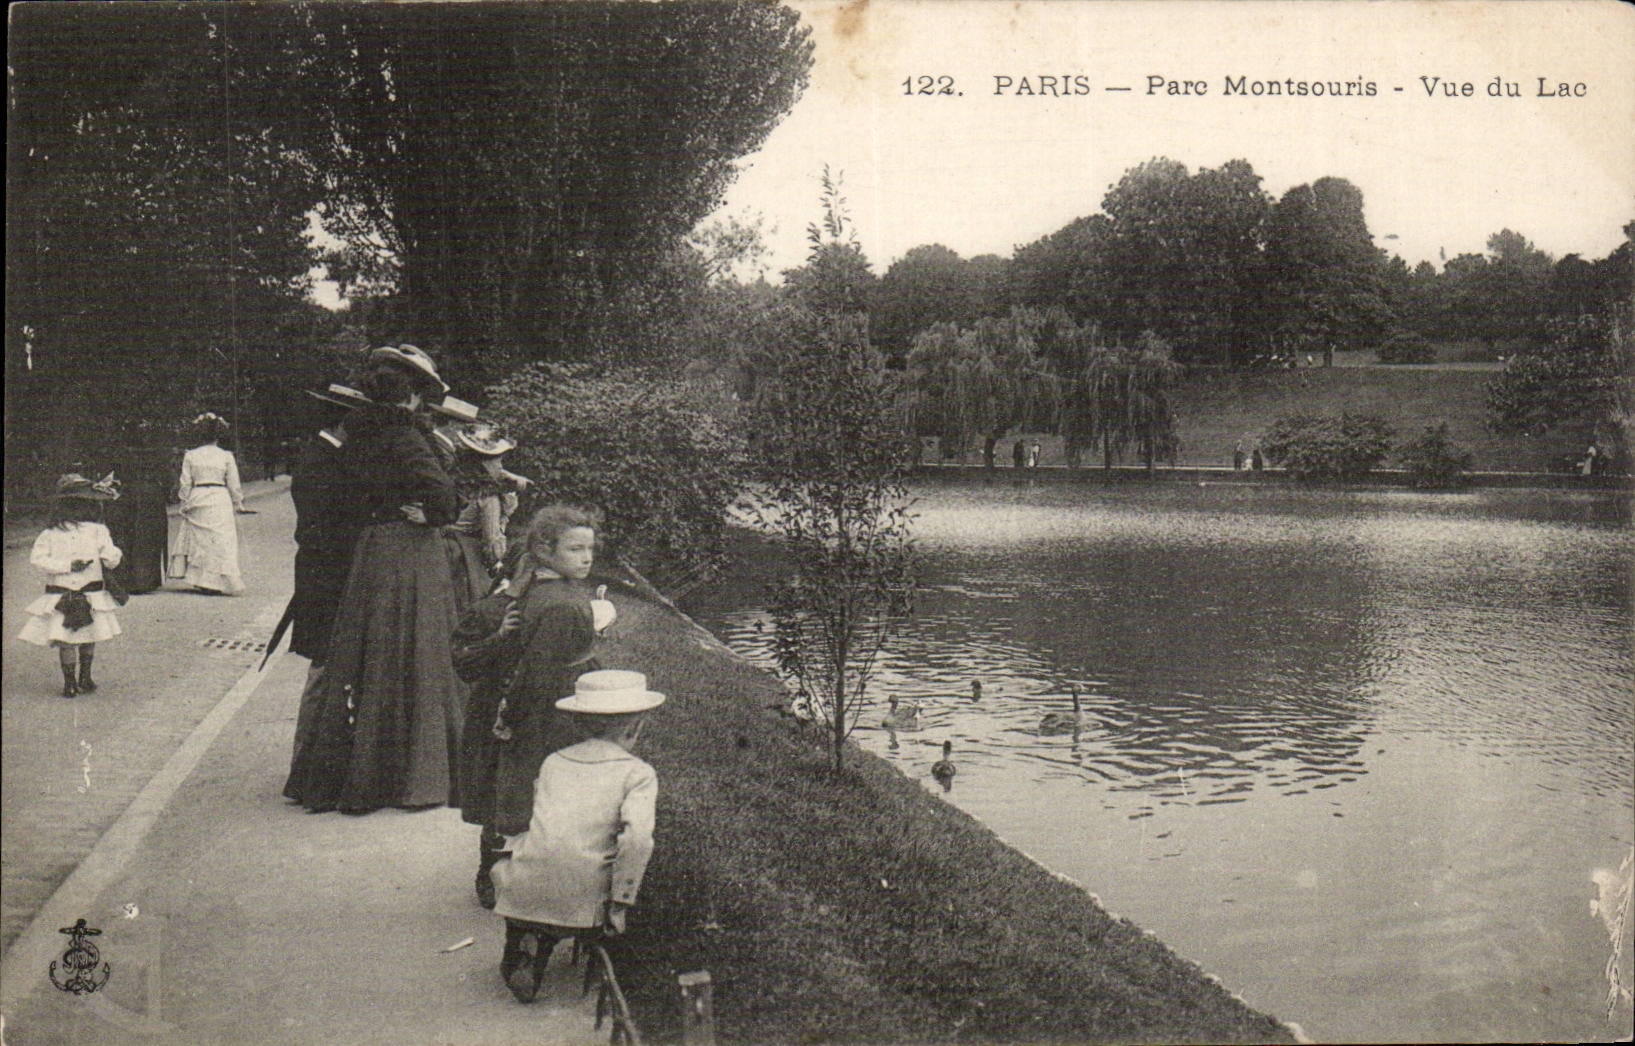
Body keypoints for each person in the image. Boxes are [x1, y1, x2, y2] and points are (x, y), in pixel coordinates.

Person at [284, 344, 468, 814]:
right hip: (409, 553)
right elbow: (445, 496)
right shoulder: (405, 437)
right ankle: (417, 774)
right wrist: (431, 514)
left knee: (373, 660)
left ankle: (368, 772)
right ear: (411, 399)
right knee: (420, 655)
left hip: (370, 555)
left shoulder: (357, 438)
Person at [452, 504, 616, 908]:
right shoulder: (514, 604)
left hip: (537, 703)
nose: (587, 558)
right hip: (522, 705)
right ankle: (494, 870)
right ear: (541, 555)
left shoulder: (560, 596)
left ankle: (524, 870)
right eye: (576, 549)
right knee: (507, 790)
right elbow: (470, 659)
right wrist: (501, 642)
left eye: (589, 549)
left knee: (523, 790)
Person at [491, 668, 662, 1003]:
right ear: (636, 727)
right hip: (585, 897)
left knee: (536, 876)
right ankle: (605, 957)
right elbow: (637, 840)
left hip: (526, 888)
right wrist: (621, 902)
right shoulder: (638, 774)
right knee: (605, 889)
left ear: (578, 722)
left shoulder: (554, 762)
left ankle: (527, 947)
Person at [279, 384, 372, 784]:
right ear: (347, 422)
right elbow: (321, 530)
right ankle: (305, 768)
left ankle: (313, 766)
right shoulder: (322, 461)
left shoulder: (325, 456)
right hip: (325, 579)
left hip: (322, 575)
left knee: (327, 668)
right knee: (324, 668)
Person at [19, 474, 124, 697]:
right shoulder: (98, 530)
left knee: (67, 639)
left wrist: (64, 565)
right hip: (91, 592)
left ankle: (70, 683)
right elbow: (111, 558)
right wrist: (114, 556)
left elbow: (38, 559)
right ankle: (85, 677)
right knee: (89, 635)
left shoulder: (50, 533)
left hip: (61, 593)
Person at [443, 423, 531, 612]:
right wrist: (500, 564)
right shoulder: (488, 496)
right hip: (468, 555)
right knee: (474, 604)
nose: (500, 466)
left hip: (443, 548)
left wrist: (507, 478)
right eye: (498, 461)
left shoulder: (455, 478)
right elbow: (492, 541)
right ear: (485, 462)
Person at [167, 412, 251, 594]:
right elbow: (233, 483)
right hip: (219, 497)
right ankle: (218, 580)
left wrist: (185, 500)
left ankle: (203, 580)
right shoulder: (226, 456)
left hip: (199, 496)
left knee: (202, 542)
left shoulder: (191, 455)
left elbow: (185, 482)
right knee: (221, 540)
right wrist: (238, 501)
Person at [105, 424, 172, 594]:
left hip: (129, 494)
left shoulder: (122, 452)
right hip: (151, 496)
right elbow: (166, 476)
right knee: (148, 536)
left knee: (129, 535)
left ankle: (129, 579)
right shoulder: (156, 453)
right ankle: (146, 580)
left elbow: (115, 474)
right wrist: (165, 493)